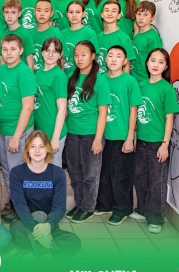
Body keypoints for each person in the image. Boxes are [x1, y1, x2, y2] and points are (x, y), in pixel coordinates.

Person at [10, 131, 81, 257]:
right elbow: (20, 206)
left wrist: (48, 225)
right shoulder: (17, 172)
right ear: (27, 149)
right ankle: (46, 256)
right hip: (23, 225)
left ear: (47, 149)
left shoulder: (57, 173)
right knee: (39, 215)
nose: (37, 150)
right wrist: (35, 228)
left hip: (47, 226)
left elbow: (59, 207)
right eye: (33, 146)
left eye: (41, 146)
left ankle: (33, 252)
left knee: (74, 242)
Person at [133, 48, 179, 233]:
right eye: (153, 60)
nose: (156, 65)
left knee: (157, 182)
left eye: (161, 62)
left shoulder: (167, 89)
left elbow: (170, 118)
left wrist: (165, 144)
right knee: (140, 177)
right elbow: (135, 113)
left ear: (166, 66)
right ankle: (143, 210)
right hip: (141, 141)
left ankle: (156, 219)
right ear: (146, 62)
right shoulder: (141, 85)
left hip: (158, 143)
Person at [64, 41, 111, 223]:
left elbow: (103, 112)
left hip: (91, 133)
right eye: (76, 55)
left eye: (83, 54)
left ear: (93, 56)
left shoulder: (100, 80)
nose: (79, 58)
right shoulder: (71, 77)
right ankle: (80, 204)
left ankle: (88, 207)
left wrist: (98, 139)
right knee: (75, 173)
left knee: (90, 174)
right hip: (72, 132)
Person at [95, 46, 142, 225]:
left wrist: (130, 137)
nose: (114, 59)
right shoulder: (100, 79)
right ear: (105, 59)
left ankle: (122, 208)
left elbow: (133, 111)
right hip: (103, 135)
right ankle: (105, 204)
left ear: (125, 61)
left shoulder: (130, 81)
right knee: (104, 172)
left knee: (121, 175)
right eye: (110, 55)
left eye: (118, 56)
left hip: (122, 136)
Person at [0, 34, 37, 221]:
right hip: (3, 129)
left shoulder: (25, 73)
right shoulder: (0, 70)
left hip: (17, 131)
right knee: (7, 169)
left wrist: (16, 136)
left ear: (21, 50)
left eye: (13, 49)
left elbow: (28, 107)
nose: (9, 53)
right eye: (5, 49)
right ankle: (14, 203)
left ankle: (22, 210)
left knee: (17, 171)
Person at [34, 38, 68, 167]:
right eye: (47, 50)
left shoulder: (59, 75)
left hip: (53, 131)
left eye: (55, 51)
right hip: (40, 130)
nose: (50, 54)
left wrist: (55, 137)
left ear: (60, 54)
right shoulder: (38, 72)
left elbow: (62, 108)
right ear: (42, 52)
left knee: (53, 169)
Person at [61, 0, 99, 77]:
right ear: (67, 14)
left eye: (78, 12)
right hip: (65, 76)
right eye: (71, 12)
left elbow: (93, 59)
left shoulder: (90, 34)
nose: (74, 15)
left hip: (83, 77)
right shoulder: (61, 33)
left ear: (83, 14)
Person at [97, 0, 136, 73]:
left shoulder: (124, 39)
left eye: (114, 11)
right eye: (107, 10)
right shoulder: (98, 37)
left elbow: (126, 68)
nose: (109, 13)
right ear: (102, 14)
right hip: (100, 79)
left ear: (119, 15)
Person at [131, 1, 163, 82]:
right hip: (133, 78)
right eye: (139, 14)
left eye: (145, 15)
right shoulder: (137, 35)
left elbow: (156, 61)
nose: (141, 18)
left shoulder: (153, 38)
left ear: (153, 17)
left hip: (144, 80)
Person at [31, 0, 64, 71]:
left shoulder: (57, 34)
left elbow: (61, 61)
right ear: (34, 12)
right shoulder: (29, 34)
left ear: (51, 13)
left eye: (46, 11)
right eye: (39, 10)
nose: (42, 14)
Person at [2, 0, 34, 69]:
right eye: (7, 12)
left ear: (19, 14)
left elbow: (30, 63)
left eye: (13, 12)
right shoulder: (2, 33)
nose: (9, 16)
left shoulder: (25, 34)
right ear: (3, 13)